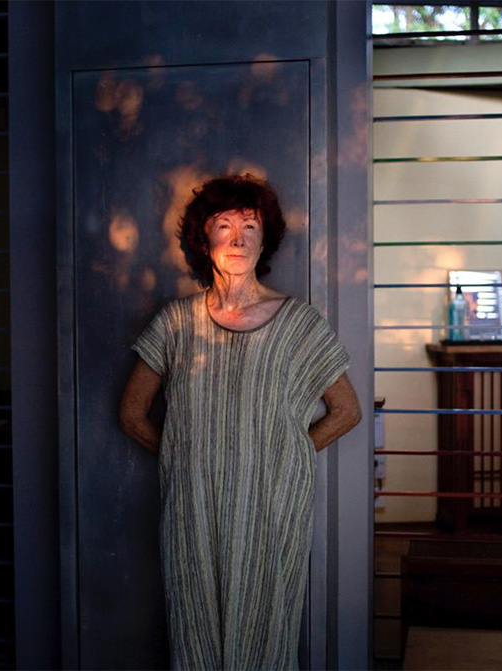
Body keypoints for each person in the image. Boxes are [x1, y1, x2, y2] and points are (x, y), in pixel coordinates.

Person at [118, 173, 361, 669]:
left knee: (266, 635)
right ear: (203, 238)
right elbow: (131, 414)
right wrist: (187, 457)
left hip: (271, 508)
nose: (237, 238)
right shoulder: (176, 323)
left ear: (264, 239)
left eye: (250, 227)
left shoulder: (299, 324)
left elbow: (347, 410)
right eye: (223, 225)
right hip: (193, 510)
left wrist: (280, 457)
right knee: (195, 633)